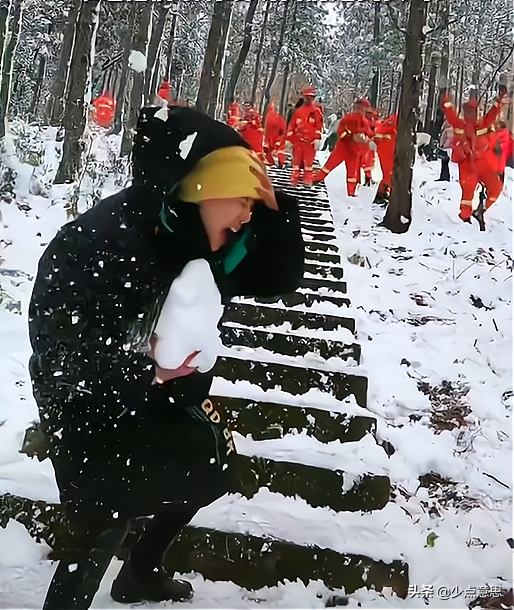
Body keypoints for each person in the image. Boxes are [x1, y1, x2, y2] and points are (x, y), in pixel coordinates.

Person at [29, 105, 305, 610]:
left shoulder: (204, 233)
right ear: (200, 188)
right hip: (89, 404)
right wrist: (145, 370)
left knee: (210, 465)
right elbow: (57, 352)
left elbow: (277, 279)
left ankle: (143, 572)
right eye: (241, 200)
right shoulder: (97, 241)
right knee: (100, 522)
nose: (247, 215)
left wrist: (273, 207)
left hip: (166, 394)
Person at [442, 89, 505, 222]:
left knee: (496, 187)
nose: (471, 114)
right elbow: (450, 113)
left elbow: (492, 114)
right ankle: (465, 217)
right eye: (468, 111)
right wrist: (445, 100)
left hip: (483, 163)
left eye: (473, 112)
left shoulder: (483, 124)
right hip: (466, 164)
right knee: (468, 190)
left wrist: (499, 100)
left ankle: (482, 209)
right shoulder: (459, 124)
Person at [313, 98, 373, 196]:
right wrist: (351, 134)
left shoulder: (361, 120)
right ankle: (317, 180)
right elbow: (342, 132)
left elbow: (366, 135)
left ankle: (350, 192)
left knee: (349, 173)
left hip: (352, 151)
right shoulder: (350, 119)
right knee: (333, 168)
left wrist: (361, 137)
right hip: (346, 149)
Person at [286, 85, 323, 186]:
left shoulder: (316, 112)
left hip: (309, 143)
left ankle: (307, 181)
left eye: (310, 97)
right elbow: (292, 125)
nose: (308, 99)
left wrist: (317, 139)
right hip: (298, 142)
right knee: (296, 163)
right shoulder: (298, 111)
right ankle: (294, 181)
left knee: (308, 164)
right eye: (306, 96)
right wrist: (289, 139)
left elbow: (319, 127)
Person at [372, 113, 397, 204]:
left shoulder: (393, 120)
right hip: (388, 149)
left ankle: (382, 194)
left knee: (388, 174)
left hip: (388, 149)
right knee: (389, 174)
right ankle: (382, 195)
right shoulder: (397, 119)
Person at [263, 101, 287, 167]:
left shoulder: (272, 117)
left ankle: (277, 163)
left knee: (275, 152)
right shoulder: (277, 118)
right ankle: (278, 163)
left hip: (273, 139)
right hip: (273, 139)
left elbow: (282, 131)